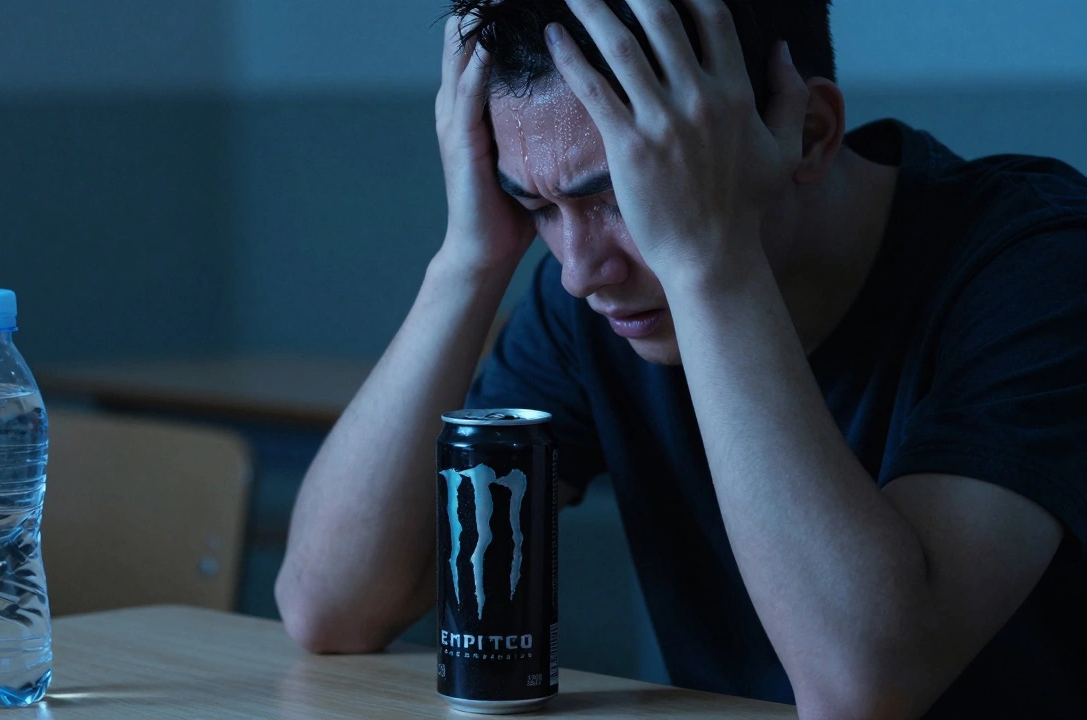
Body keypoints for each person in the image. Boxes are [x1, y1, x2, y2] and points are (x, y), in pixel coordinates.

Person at [274, 0, 1087, 717]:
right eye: (538, 208)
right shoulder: (600, 301)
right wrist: (469, 259)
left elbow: (863, 687)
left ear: (807, 134)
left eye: (628, 194)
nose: (579, 270)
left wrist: (712, 263)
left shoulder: (1040, 266)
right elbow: (329, 606)